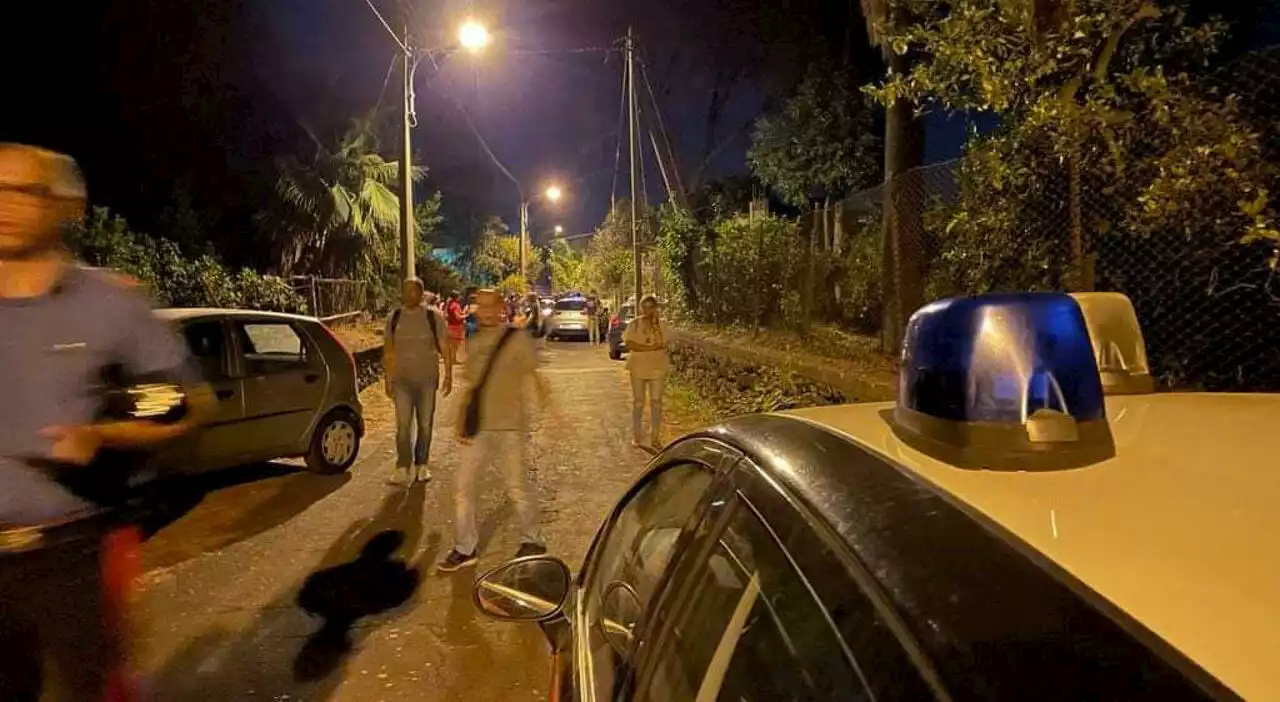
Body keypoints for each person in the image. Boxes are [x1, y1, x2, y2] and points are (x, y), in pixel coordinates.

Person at [0, 143, 206, 699]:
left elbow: (180, 400)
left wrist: (102, 433)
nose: (6, 204)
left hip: (70, 551)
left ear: (58, 206)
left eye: (24, 190)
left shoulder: (107, 305)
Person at [438, 288, 546, 571]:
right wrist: (461, 418)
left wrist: (554, 414)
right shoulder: (473, 342)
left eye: (490, 305)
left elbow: (534, 376)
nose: (484, 311)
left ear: (501, 307)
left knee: (517, 486)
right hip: (480, 427)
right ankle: (465, 547)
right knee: (462, 487)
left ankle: (532, 539)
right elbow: (472, 385)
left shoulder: (517, 338)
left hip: (511, 426)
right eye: (479, 306)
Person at [383, 278, 453, 485]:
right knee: (403, 426)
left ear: (421, 293)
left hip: (426, 381)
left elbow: (444, 346)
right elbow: (389, 350)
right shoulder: (394, 317)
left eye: (413, 291)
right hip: (402, 381)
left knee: (425, 424)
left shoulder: (433, 317)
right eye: (405, 291)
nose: (409, 295)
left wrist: (449, 374)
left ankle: (422, 464)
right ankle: (403, 466)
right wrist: (388, 378)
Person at [621, 294, 670, 448]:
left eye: (651, 307)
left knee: (656, 401)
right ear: (641, 308)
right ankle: (637, 435)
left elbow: (663, 343)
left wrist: (654, 325)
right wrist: (649, 348)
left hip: (657, 366)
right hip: (638, 367)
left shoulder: (661, 325)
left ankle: (654, 437)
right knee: (639, 402)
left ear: (655, 308)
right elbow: (630, 344)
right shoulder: (634, 324)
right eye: (645, 307)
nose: (648, 311)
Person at [445, 290, 466, 362]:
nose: (460, 297)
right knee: (454, 345)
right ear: (456, 297)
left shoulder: (451, 304)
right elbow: (457, 317)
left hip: (451, 326)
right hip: (455, 327)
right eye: (459, 296)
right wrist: (466, 316)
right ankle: (453, 359)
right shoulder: (455, 305)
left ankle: (452, 358)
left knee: (453, 344)